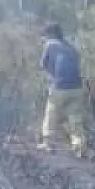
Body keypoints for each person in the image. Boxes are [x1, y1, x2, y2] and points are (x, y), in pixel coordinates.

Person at [38, 22, 86, 157]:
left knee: (51, 113)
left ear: (51, 34)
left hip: (60, 87)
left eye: (45, 34)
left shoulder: (50, 44)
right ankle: (79, 146)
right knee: (75, 118)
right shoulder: (71, 47)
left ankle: (48, 143)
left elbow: (42, 65)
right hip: (77, 87)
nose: (44, 38)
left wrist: (51, 79)